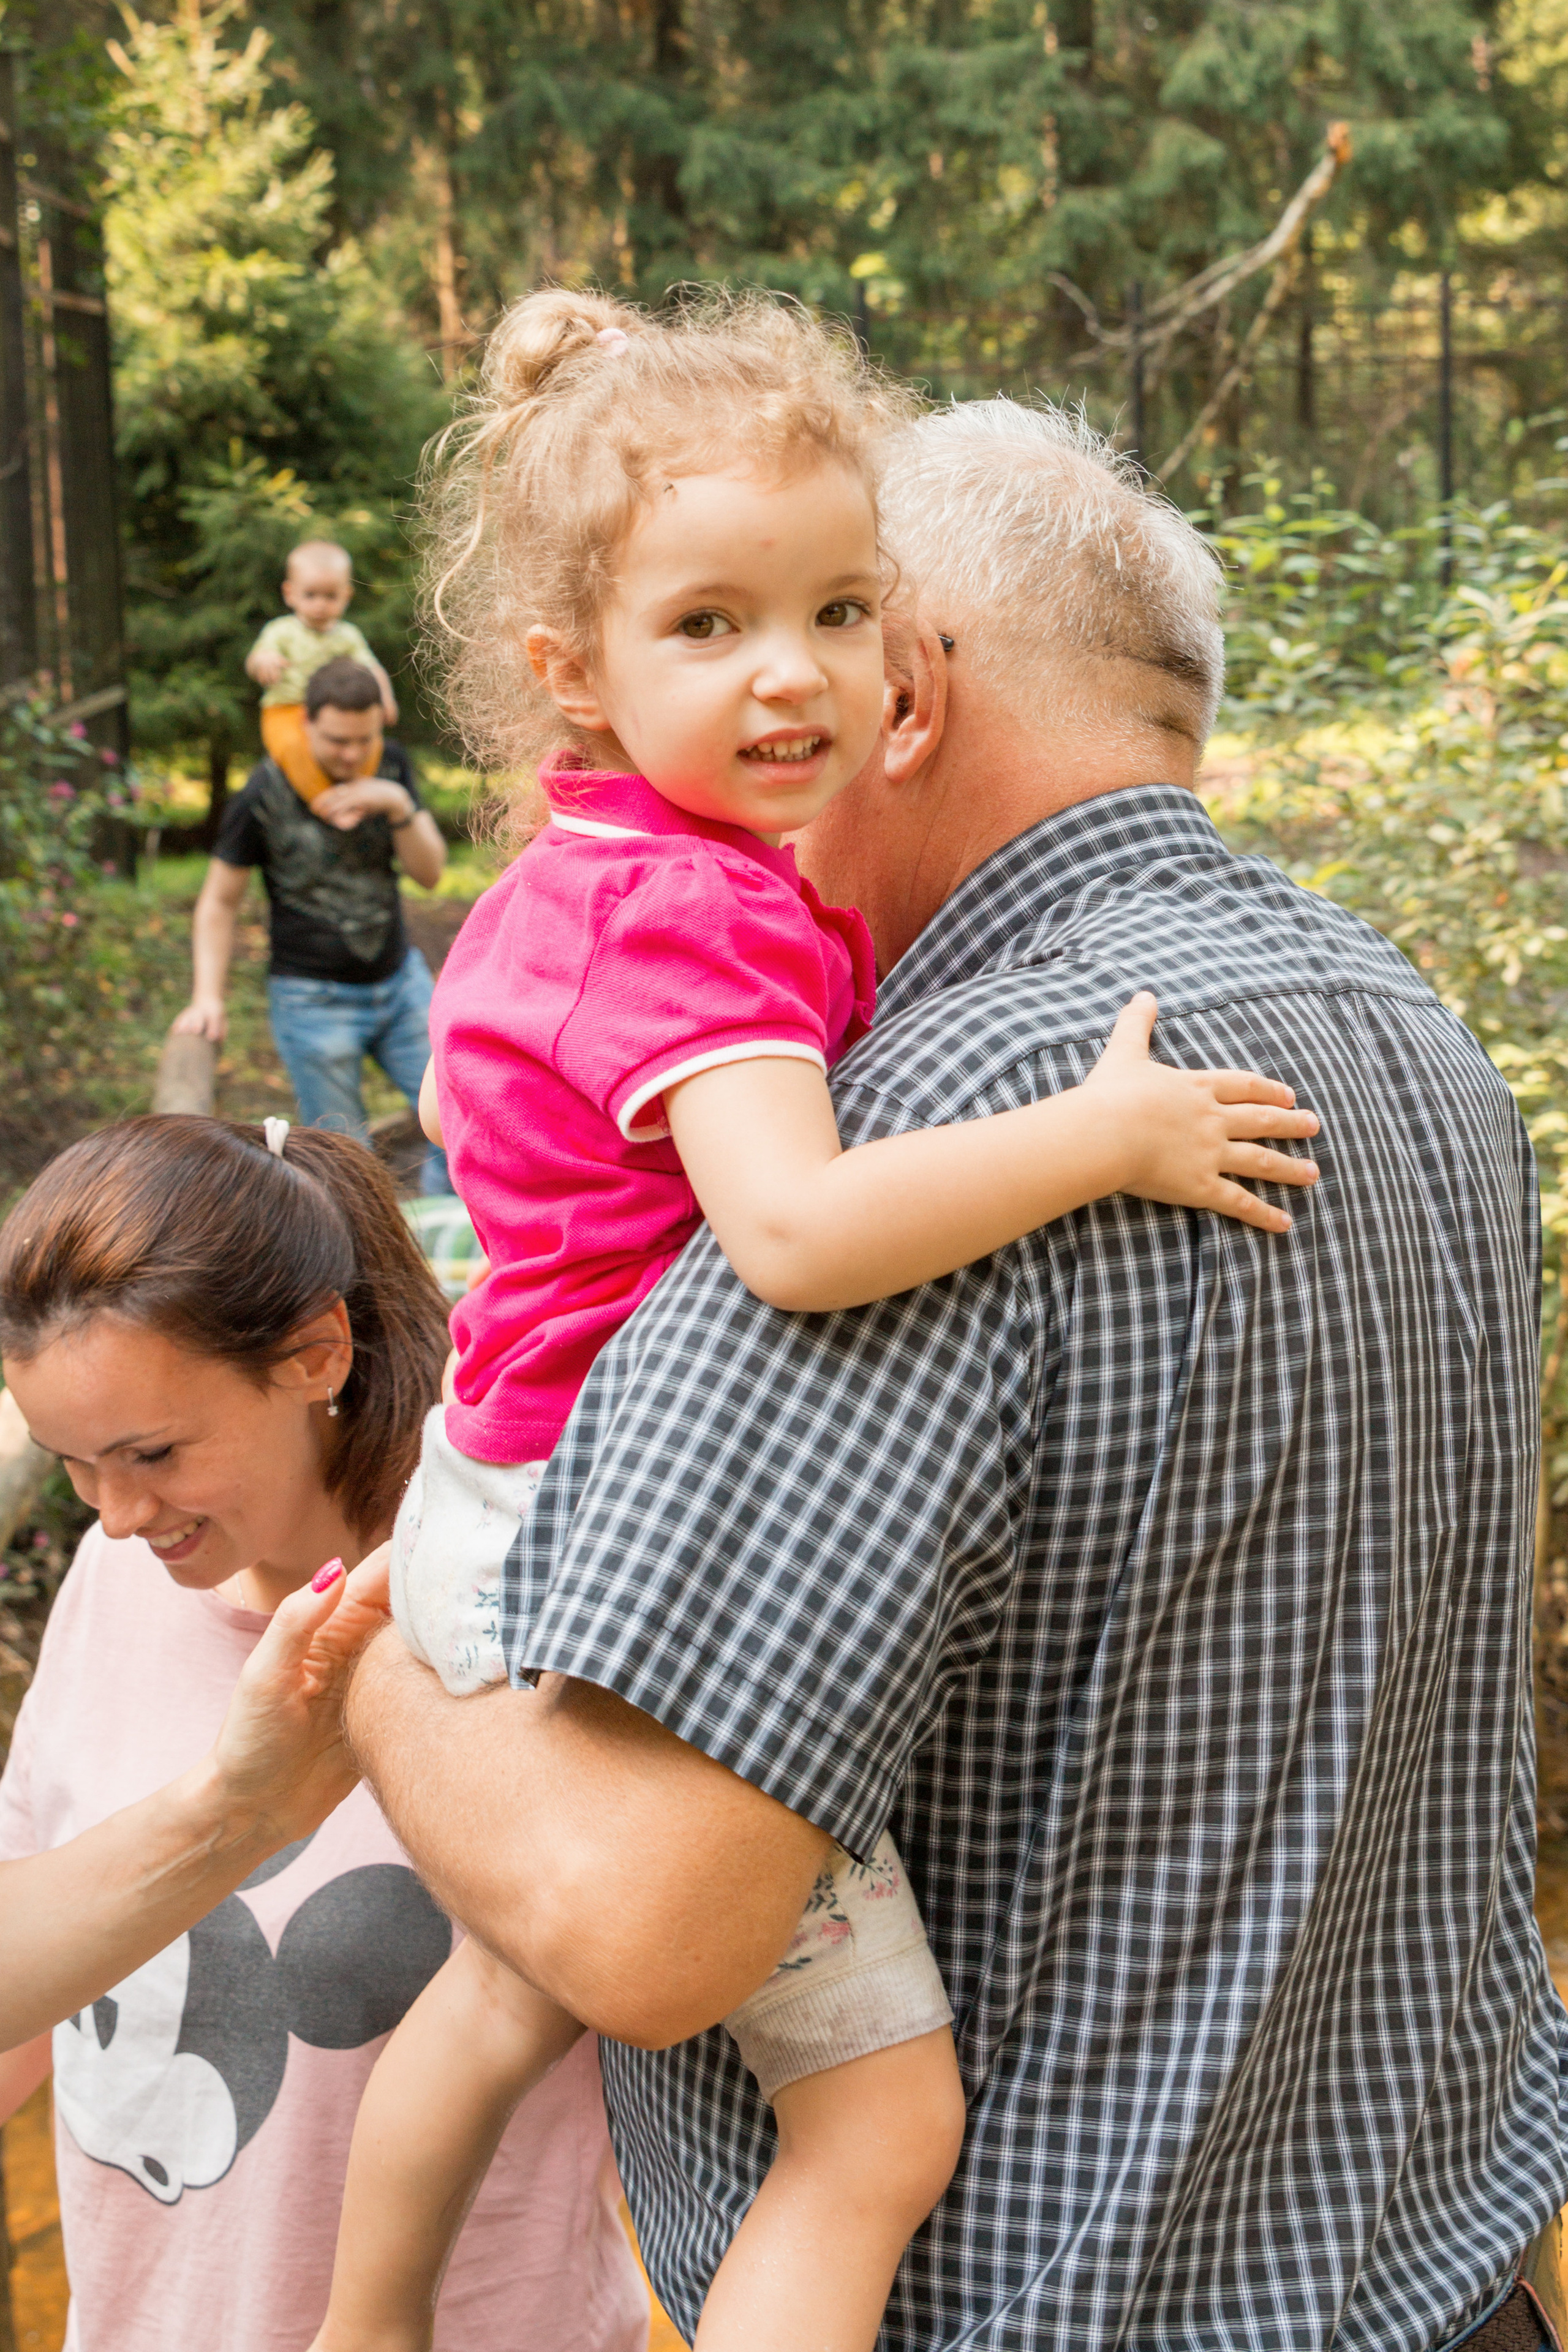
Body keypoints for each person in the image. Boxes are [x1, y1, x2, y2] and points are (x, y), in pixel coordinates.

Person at [343, 394, 1568, 2352]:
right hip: (1454, 2285)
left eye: (827, 627)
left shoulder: (941, 1138)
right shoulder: (1418, 1042)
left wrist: (390, 1673)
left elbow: (641, 1927)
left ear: (901, 690)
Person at [0, 1116, 647, 2352]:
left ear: (314, 1353)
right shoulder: (109, 1573)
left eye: (152, 1454)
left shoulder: (516, 1602)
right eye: (73, 1464)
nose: (119, 1514)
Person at [176, 658, 452, 1194]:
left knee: (462, 1112)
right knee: (346, 1159)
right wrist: (207, 995)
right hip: (312, 999)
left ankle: (456, 1241)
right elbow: (218, 900)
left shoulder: (389, 766)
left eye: (363, 739)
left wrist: (396, 803)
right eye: (336, 741)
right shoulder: (264, 788)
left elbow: (432, 873)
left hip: (400, 983)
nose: (352, 755)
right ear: (305, 723)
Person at [247, 539, 399, 802]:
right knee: (292, 748)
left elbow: (372, 668)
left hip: (334, 716)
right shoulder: (281, 630)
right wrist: (265, 660)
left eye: (330, 596)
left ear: (347, 596)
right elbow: (255, 658)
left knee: (372, 744)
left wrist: (384, 698)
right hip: (286, 708)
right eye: (310, 595)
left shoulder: (348, 636)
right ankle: (324, 803)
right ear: (290, 593)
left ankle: (358, 796)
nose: (320, 605)